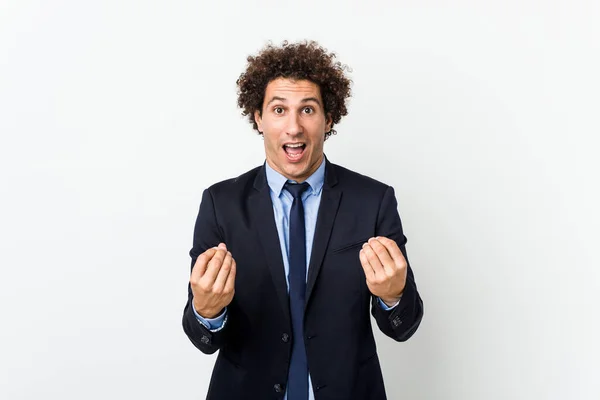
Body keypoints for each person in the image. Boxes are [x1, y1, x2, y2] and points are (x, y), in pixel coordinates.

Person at [182, 40, 424, 400]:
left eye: (307, 110)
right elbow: (202, 337)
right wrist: (206, 310)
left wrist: (394, 296)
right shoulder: (221, 203)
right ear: (258, 118)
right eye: (278, 110)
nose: (293, 127)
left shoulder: (373, 200)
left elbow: (402, 327)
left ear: (328, 118)